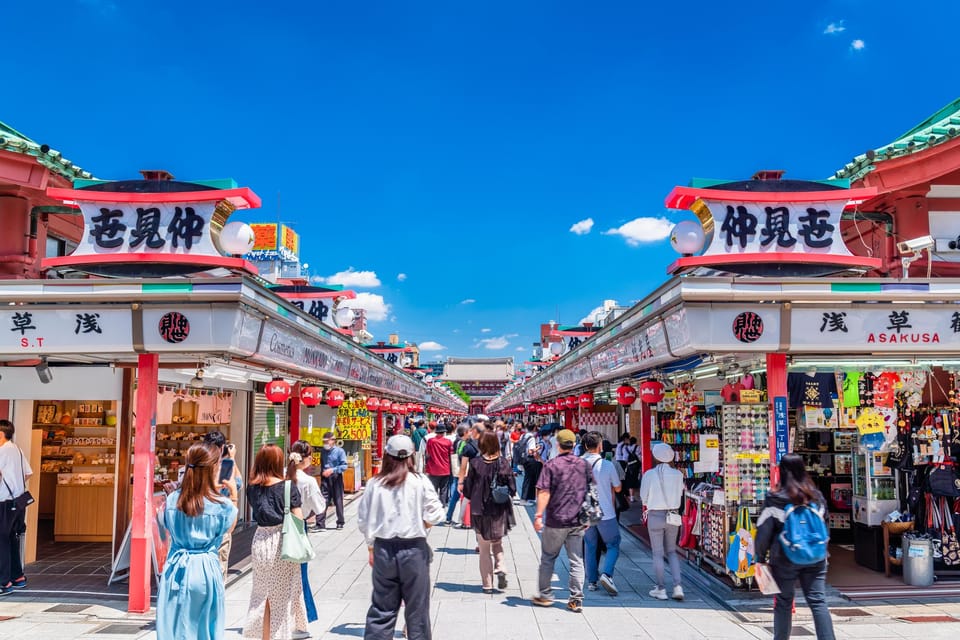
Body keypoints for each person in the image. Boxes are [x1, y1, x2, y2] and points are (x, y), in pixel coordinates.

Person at [358, 435, 445, 640]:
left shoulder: (374, 483)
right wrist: (422, 524)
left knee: (382, 609)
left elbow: (363, 520)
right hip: (414, 549)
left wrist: (371, 547)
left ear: (387, 455)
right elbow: (437, 513)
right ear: (411, 456)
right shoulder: (420, 481)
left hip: (384, 548)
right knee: (417, 611)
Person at [157, 442, 237, 640]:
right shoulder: (222, 505)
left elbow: (166, 528)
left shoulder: (172, 500)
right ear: (214, 468)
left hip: (175, 570)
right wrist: (234, 495)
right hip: (206, 570)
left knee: (174, 630)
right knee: (205, 630)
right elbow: (229, 529)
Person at [755, 454, 836, 640]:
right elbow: (825, 526)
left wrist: (759, 558)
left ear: (781, 471)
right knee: (818, 602)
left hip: (784, 559)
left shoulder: (775, 498)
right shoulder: (816, 497)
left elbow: (764, 532)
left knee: (783, 602)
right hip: (816, 557)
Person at [243, 444, 309, 640]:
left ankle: (260, 635)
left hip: (260, 540)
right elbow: (298, 518)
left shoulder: (252, 487)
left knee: (261, 594)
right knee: (280, 596)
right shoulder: (287, 487)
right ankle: (278, 636)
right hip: (282, 542)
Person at [531, 429, 589, 613]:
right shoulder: (583, 464)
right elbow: (591, 490)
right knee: (577, 560)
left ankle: (546, 595)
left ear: (558, 444)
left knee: (548, 557)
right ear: (574, 444)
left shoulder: (551, 465)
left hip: (556, 519)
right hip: (578, 519)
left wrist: (538, 515)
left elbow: (544, 492)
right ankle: (576, 599)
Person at [462, 431, 516, 593]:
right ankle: (500, 565)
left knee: (484, 548)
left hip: (480, 509)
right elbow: (512, 488)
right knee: (497, 543)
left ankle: (487, 585)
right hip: (499, 509)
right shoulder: (503, 463)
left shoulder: (476, 463)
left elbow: (468, 489)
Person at [640, 442, 684, 601]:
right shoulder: (678, 475)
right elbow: (680, 495)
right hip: (672, 515)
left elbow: (643, 497)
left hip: (655, 515)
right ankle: (678, 586)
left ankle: (661, 588)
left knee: (658, 553)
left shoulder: (649, 474)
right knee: (672, 551)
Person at [288, 440, 325, 624]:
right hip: (298, 527)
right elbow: (319, 507)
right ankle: (302, 617)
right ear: (305, 458)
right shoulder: (308, 481)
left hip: (278, 527)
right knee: (300, 573)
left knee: (282, 573)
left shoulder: (282, 476)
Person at [581, 431, 623, 595]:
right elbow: (618, 487)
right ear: (600, 446)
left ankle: (591, 581)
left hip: (586, 512)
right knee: (613, 544)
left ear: (585, 446)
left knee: (590, 546)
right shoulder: (607, 464)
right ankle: (607, 574)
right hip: (605, 511)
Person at [0, 420, 31, 596]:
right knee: (11, 539)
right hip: (17, 502)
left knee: (1, 541)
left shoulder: (2, 451)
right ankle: (17, 577)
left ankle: (4, 582)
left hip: (4, 502)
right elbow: (28, 473)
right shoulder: (17, 450)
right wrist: (15, 485)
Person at [315, 431, 347, 531]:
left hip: (336, 477)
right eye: (324, 442)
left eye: (327, 442)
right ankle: (320, 524)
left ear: (333, 441)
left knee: (338, 500)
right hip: (325, 478)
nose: (325, 444)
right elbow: (322, 463)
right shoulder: (323, 451)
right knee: (323, 499)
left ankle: (340, 522)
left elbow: (344, 466)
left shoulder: (340, 451)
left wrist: (333, 470)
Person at [424, 423, 453, 506]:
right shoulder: (448, 442)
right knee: (444, 489)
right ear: (444, 432)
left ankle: (434, 504)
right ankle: (442, 504)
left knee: (433, 489)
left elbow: (427, 454)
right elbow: (451, 455)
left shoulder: (431, 441)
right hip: (445, 468)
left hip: (433, 469)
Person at [519, 424, 540, 504]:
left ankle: (529, 498)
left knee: (529, 478)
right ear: (534, 428)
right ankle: (524, 499)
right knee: (529, 479)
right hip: (530, 459)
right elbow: (530, 451)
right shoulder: (531, 437)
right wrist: (538, 448)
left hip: (523, 459)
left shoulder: (523, 436)